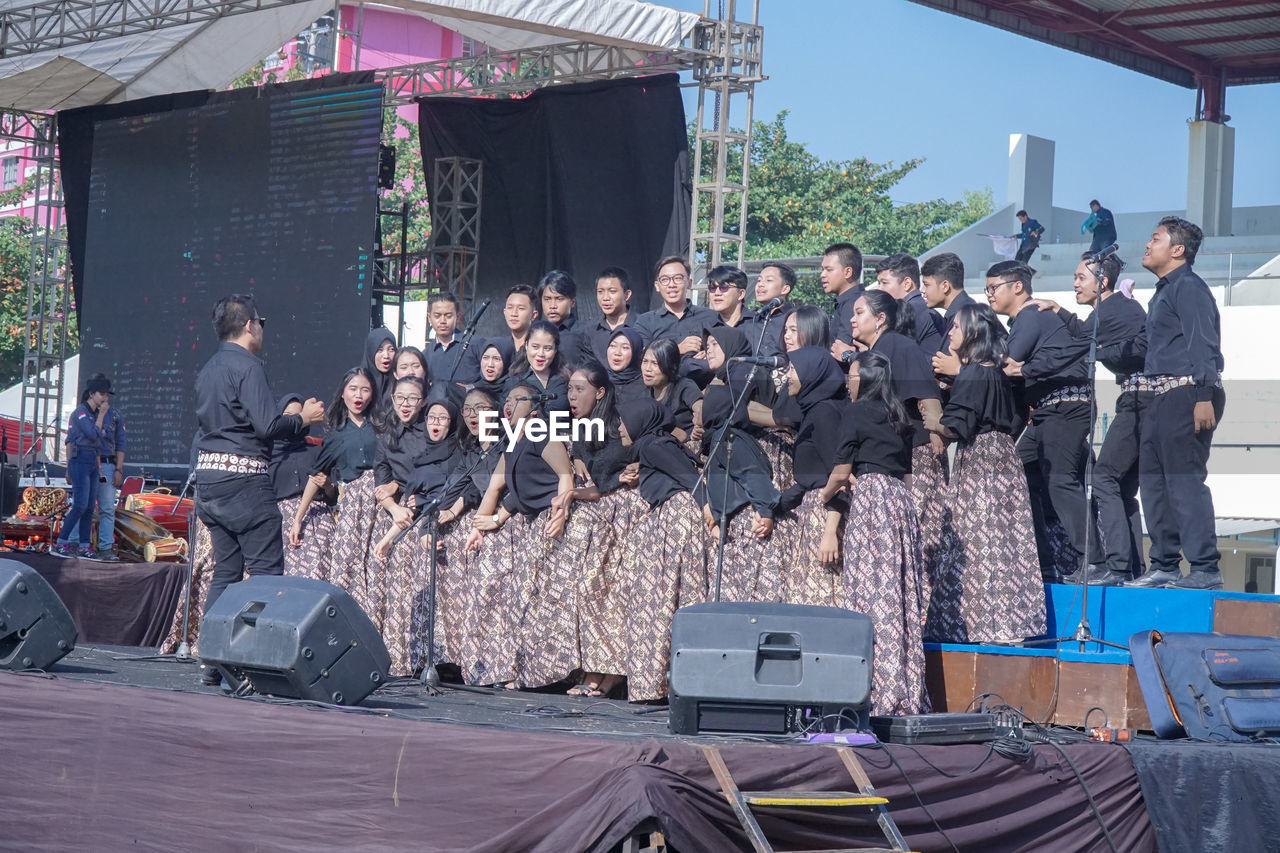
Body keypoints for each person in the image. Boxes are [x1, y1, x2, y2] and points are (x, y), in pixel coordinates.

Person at [193, 295, 324, 686]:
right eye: (261, 321)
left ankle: (211, 661)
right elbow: (268, 426)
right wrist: (304, 418)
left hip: (211, 484)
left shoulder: (208, 369)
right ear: (250, 325)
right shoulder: (248, 366)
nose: (262, 328)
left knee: (227, 573)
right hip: (245, 482)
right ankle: (253, 661)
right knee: (267, 575)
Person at [925, 304, 1046, 643]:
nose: (950, 333)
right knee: (1006, 538)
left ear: (974, 333)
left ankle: (984, 625)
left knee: (978, 537)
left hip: (980, 457)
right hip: (1003, 454)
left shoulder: (974, 372)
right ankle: (1013, 623)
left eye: (956, 328)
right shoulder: (993, 371)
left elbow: (957, 426)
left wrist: (933, 421)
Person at [1028, 252, 1149, 585]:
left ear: (1102, 282)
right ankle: (1129, 569)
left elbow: (1076, 348)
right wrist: (1061, 311)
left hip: (1142, 401)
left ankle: (1109, 566)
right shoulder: (1115, 308)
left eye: (1081, 277)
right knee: (1121, 488)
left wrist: (1022, 368)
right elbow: (1086, 332)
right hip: (1141, 400)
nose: (1075, 283)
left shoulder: (1112, 311)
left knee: (1105, 478)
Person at [967, 261, 1092, 581]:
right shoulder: (1028, 317)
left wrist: (961, 370)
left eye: (994, 287)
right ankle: (1045, 562)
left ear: (1017, 287)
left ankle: (1092, 560)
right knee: (1020, 476)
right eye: (987, 289)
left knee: (1060, 481)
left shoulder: (1030, 315)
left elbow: (1006, 364)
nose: (989, 295)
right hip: (1047, 411)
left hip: (1065, 405)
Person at [820, 351, 927, 716]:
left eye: (851, 376)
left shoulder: (856, 412)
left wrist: (821, 498)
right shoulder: (900, 417)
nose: (847, 382)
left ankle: (874, 691)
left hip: (872, 501)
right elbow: (909, 478)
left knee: (871, 593)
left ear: (864, 380)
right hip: (900, 503)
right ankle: (903, 689)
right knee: (897, 595)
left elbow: (840, 471)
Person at [1128, 217, 1225, 590]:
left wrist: (1203, 395)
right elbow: (1144, 349)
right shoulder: (1163, 292)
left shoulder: (1189, 288)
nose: (1148, 245)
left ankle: (1204, 568)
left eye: (1156, 239)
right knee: (1153, 482)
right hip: (1161, 395)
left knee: (1184, 482)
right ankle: (1164, 564)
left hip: (1189, 392)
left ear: (1178, 250)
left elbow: (1204, 343)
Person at [465, 384, 576, 687]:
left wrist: (561, 515)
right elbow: (496, 487)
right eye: (508, 400)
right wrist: (482, 525)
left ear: (535, 406)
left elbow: (565, 477)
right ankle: (523, 671)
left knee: (542, 601)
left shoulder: (542, 432)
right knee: (521, 600)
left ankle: (545, 674)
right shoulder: (514, 439)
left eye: (518, 400)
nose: (509, 405)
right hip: (532, 523)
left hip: (553, 521)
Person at [852, 291, 951, 601]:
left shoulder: (898, 345)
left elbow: (927, 395)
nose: (852, 319)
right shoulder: (873, 353)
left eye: (859, 313)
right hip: (888, 457)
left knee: (922, 527)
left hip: (917, 451)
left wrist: (936, 432)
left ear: (880, 319)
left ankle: (927, 606)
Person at [557, 364, 646, 698]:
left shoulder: (618, 425)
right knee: (588, 591)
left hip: (625, 516)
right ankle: (594, 669)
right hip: (598, 515)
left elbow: (613, 478)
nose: (573, 396)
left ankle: (610, 674)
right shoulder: (580, 426)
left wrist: (574, 493)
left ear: (601, 393)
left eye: (581, 389)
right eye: (571, 389)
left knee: (610, 593)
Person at [617, 397, 708, 701]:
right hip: (672, 517)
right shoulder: (654, 446)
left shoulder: (653, 446)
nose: (619, 428)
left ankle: (656, 684)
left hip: (678, 518)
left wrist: (708, 511)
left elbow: (691, 481)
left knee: (662, 597)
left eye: (624, 421)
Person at [289, 368, 378, 614]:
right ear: (343, 394)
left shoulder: (382, 426)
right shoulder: (336, 434)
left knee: (377, 566)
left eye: (365, 389)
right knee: (348, 565)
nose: (359, 395)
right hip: (351, 507)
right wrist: (298, 519)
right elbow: (317, 477)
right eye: (353, 389)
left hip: (382, 505)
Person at [771, 346, 848, 607]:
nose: (788, 376)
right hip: (814, 512)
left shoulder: (824, 413)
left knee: (823, 597)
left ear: (812, 373)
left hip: (825, 516)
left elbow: (839, 477)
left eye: (793, 369)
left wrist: (830, 532)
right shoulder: (815, 410)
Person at [269, 394, 333, 582]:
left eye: (300, 415)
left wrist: (327, 485)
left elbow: (332, 497)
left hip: (316, 521)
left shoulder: (317, 450)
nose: (294, 421)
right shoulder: (268, 453)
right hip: (279, 521)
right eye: (287, 416)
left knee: (316, 574)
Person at [52, 378, 113, 559]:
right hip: (80, 460)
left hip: (93, 460)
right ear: (91, 394)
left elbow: (102, 437)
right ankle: (61, 542)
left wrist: (100, 468)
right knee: (79, 504)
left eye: (107, 395)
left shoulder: (94, 415)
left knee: (89, 507)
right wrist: (101, 416)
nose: (105, 398)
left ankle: (84, 545)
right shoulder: (80, 413)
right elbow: (94, 434)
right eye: (102, 394)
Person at [633, 256, 711, 357]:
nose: (671, 285)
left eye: (678, 278)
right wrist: (677, 348)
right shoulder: (645, 322)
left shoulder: (710, 317)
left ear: (690, 283)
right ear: (657, 286)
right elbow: (641, 356)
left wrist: (710, 355)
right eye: (665, 279)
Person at [875, 253, 944, 358]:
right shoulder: (919, 308)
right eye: (879, 283)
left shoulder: (912, 311)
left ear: (907, 283)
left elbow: (889, 355)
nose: (879, 289)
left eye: (884, 283)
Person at [641, 338, 700, 444]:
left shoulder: (684, 386)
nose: (647, 368)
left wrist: (699, 425)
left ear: (672, 366)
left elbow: (701, 409)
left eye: (655, 363)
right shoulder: (644, 392)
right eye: (645, 361)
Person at [505, 319, 571, 414]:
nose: (541, 354)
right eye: (535, 347)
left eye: (547, 348)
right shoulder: (513, 382)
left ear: (555, 349)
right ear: (527, 345)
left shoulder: (566, 379)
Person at [920, 252, 976, 359]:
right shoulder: (963, 311)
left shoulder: (968, 316)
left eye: (926, 285)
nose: (922, 290)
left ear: (945, 286)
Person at [425, 291, 482, 390]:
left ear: (458, 317)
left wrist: (473, 387)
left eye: (448, 316)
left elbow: (495, 380)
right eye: (437, 316)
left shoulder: (475, 344)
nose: (442, 321)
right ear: (429, 318)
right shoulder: (425, 355)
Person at [740, 262, 797, 360]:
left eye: (769, 280)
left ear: (785, 289)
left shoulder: (796, 318)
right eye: (759, 280)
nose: (760, 284)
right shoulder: (752, 320)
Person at [822, 242, 865, 359]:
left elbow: (839, 350)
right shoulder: (845, 302)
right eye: (822, 269)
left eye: (828, 270)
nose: (822, 275)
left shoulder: (854, 303)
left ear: (847, 272)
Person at [538, 270, 586, 370]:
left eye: (559, 299)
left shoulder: (584, 333)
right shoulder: (535, 333)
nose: (552, 306)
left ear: (572, 302)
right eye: (547, 299)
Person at [585, 268, 633, 364]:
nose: (605, 298)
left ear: (626, 295)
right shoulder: (591, 330)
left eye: (612, 291)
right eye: (600, 292)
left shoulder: (641, 325)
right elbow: (588, 368)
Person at [603, 327, 647, 402]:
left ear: (636, 352)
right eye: (613, 346)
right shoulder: (599, 382)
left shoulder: (646, 387)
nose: (617, 353)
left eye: (625, 348)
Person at [363, 328, 397, 402]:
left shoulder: (400, 384)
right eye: (379, 350)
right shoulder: (360, 382)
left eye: (391, 349)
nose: (386, 355)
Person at [502, 284, 539, 354]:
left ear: (534, 315)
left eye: (521, 308)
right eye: (510, 308)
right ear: (505, 312)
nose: (514, 313)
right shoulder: (501, 347)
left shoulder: (539, 349)